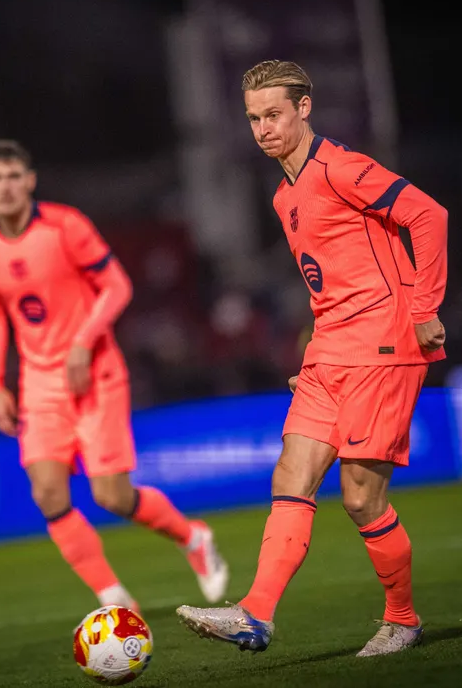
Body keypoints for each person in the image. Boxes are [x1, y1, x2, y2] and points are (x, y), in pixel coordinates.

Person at [176, 60, 448, 657]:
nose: (263, 129)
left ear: (304, 108)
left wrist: (426, 309)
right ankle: (255, 615)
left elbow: (428, 216)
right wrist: (318, 351)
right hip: (331, 349)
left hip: (385, 342)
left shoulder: (342, 168)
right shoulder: (283, 195)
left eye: (274, 114)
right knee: (289, 477)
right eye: (253, 118)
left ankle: (402, 619)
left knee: (360, 498)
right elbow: (330, 280)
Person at [0, 138, 229, 612]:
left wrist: (84, 342)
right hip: (39, 383)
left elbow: (117, 286)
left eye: (13, 177)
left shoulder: (65, 226)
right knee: (47, 493)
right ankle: (113, 595)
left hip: (96, 375)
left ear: (30, 181)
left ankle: (193, 537)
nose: (5, 188)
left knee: (112, 496)